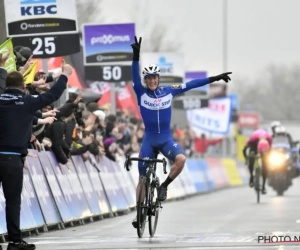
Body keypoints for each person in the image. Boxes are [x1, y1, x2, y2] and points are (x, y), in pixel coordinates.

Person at [130, 36, 232, 228]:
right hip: (149, 140)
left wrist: (215, 78)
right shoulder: (141, 92)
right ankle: (138, 213)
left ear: (159, 79)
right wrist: (135, 55)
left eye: (154, 78)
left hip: (166, 139)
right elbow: (134, 75)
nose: (152, 81)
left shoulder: (170, 91)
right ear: (146, 80)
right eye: (149, 78)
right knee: (142, 178)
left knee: (181, 160)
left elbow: (192, 84)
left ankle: (163, 187)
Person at [0, 58, 72, 250]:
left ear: (6, 86)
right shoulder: (26, 101)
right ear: (23, 86)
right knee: (12, 201)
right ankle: (15, 241)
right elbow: (52, 95)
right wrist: (64, 75)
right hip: (12, 159)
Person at [243, 129, 272, 194]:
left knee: (265, 166)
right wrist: (246, 159)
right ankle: (251, 177)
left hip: (265, 148)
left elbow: (271, 151)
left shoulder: (269, 139)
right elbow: (244, 150)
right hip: (254, 146)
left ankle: (263, 186)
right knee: (251, 160)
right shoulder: (252, 139)